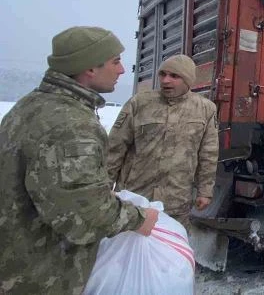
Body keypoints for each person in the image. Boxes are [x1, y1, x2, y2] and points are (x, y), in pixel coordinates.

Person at [0, 26, 159, 295]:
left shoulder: (32, 105)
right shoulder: (70, 124)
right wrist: (138, 219)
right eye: (115, 61)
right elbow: (84, 216)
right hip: (39, 276)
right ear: (89, 68)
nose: (122, 70)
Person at [107, 54, 219, 229]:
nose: (166, 80)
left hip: (176, 202)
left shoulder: (205, 109)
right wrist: (104, 187)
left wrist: (205, 191)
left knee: (169, 252)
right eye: (163, 74)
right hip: (134, 199)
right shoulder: (139, 103)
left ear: (188, 80)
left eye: (174, 76)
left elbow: (208, 153)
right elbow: (114, 148)